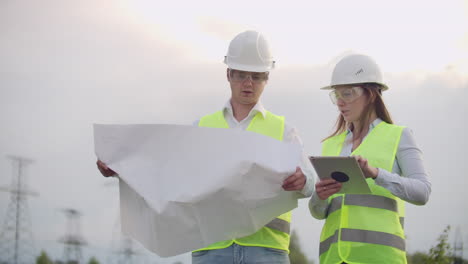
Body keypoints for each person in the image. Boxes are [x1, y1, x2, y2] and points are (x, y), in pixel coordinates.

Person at [97, 30, 315, 264]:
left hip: (266, 250)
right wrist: (125, 168)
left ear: (266, 78)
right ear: (228, 74)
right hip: (211, 250)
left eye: (256, 76)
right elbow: (168, 173)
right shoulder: (202, 128)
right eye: (241, 74)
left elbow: (310, 183)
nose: (248, 83)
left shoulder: (283, 131)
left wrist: (303, 182)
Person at [308, 54, 431, 264]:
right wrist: (318, 197)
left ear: (372, 94)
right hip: (333, 258)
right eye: (336, 95)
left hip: (380, 258)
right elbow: (319, 213)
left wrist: (376, 174)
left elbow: (422, 192)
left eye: (347, 93)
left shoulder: (399, 136)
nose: (340, 102)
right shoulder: (331, 145)